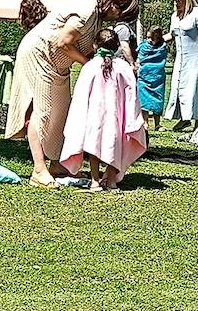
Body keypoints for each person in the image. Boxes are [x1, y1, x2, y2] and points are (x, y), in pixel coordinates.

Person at [5, 0, 140, 188]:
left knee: (61, 113)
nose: (117, 19)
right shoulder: (86, 11)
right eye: (119, 13)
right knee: (43, 112)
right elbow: (64, 42)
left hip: (58, 64)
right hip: (40, 56)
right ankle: (39, 170)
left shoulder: (97, 15)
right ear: (113, 4)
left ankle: (57, 165)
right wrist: (88, 64)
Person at [60, 29, 148, 192]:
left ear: (95, 45)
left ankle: (95, 181)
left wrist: (79, 115)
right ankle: (112, 181)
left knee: (94, 146)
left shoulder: (90, 67)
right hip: (116, 117)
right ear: (117, 47)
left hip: (95, 117)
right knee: (116, 144)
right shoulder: (122, 67)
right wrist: (132, 116)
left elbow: (81, 95)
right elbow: (132, 94)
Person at [164, 0, 198, 131]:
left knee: (194, 88)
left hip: (196, 58)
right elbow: (172, 35)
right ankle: (184, 118)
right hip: (180, 59)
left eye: (179, 1)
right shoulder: (175, 16)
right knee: (178, 88)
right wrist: (155, 41)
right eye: (175, 1)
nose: (177, 4)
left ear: (187, 0)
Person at [136, 27, 169, 131]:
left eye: (151, 38)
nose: (149, 40)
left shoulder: (162, 47)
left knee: (158, 100)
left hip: (158, 77)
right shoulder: (143, 46)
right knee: (143, 100)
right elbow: (139, 57)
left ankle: (157, 124)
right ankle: (145, 122)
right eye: (147, 37)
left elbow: (162, 58)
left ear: (158, 37)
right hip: (144, 77)